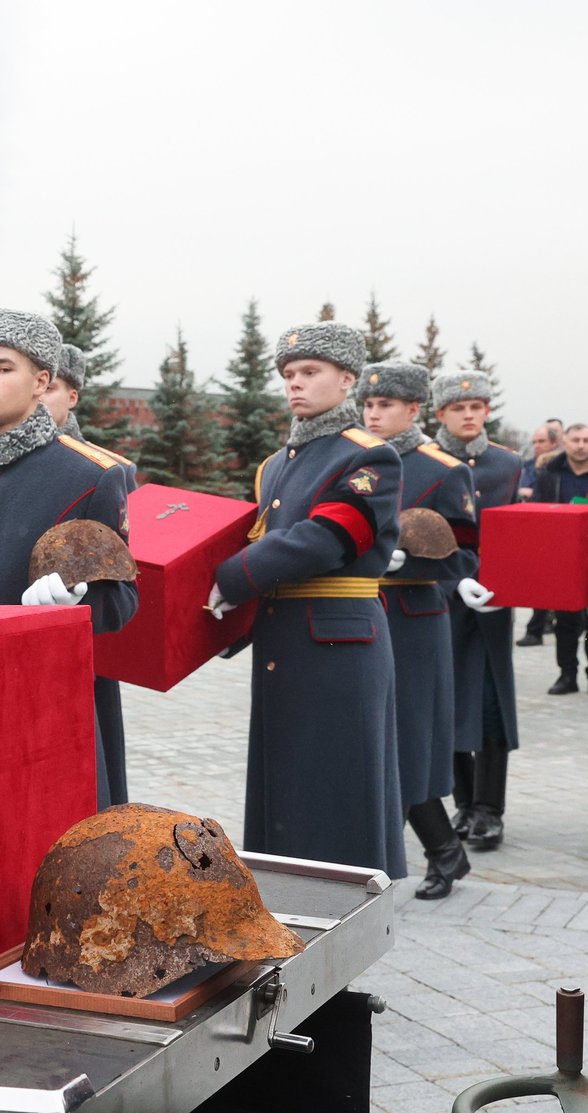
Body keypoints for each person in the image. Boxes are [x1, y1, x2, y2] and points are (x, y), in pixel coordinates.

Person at [207, 322, 405, 878]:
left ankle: (345, 906)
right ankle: (290, 900)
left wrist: (234, 575)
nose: (296, 383)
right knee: (285, 782)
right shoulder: (275, 465)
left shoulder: (369, 455)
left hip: (337, 642)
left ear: (348, 380)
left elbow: (333, 536)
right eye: (289, 374)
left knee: (336, 781)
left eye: (310, 372)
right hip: (283, 636)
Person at [0, 308, 137, 809]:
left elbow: (124, 600)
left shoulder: (91, 475)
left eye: (3, 368)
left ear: (42, 380)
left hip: (44, 704)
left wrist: (78, 602)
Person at [360, 361, 478, 898]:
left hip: (414, 621)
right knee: (382, 743)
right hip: (363, 614)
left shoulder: (442, 469)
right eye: (368, 404)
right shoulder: (354, 460)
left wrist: (408, 563)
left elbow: (466, 553)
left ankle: (418, 857)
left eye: (385, 405)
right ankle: (446, 850)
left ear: (413, 409)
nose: (374, 413)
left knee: (408, 741)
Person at [40, 341, 140, 805]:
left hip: (89, 649)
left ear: (71, 394)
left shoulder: (109, 471)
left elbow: (121, 572)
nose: (42, 397)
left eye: (53, 387)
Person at [430, 371, 522, 850]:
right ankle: (463, 801)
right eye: (457, 408)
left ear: (486, 412)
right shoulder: (425, 461)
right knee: (443, 702)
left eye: (477, 407)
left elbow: (526, 531)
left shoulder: (507, 465)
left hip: (491, 600)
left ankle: (489, 808)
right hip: (438, 598)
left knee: (489, 705)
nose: (468, 415)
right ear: (440, 413)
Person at [532, 423, 588, 696]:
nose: (581, 445)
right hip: (562, 557)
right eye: (575, 439)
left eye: (586, 439)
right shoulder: (549, 474)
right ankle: (567, 674)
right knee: (565, 622)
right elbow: (538, 513)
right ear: (564, 442)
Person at [516, 420, 564, 645]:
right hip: (534, 528)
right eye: (534, 441)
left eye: (541, 441)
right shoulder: (526, 465)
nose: (537, 446)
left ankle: (540, 626)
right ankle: (537, 627)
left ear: (555, 443)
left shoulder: (561, 467)